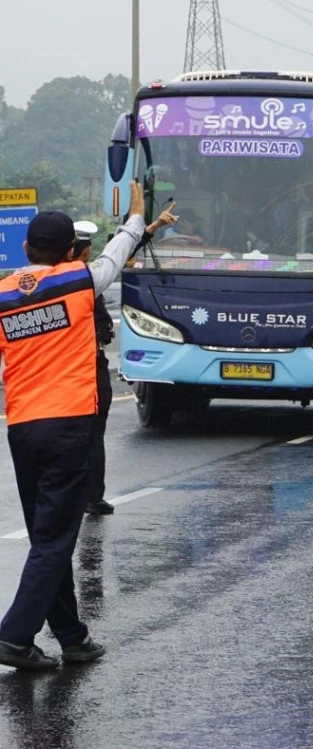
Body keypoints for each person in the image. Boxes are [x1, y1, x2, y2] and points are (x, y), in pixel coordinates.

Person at [0, 181, 145, 672]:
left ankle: (71, 636)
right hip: (68, 425)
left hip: (22, 427)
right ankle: (14, 636)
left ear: (25, 247)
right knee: (56, 538)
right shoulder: (80, 281)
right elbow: (118, 252)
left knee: (49, 534)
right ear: (68, 252)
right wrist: (137, 216)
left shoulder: (2, 294)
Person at [73, 203, 178, 516]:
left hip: (89, 364)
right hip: (83, 366)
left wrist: (152, 228)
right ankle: (83, 493)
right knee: (87, 431)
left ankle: (88, 494)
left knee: (90, 431)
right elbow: (117, 254)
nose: (91, 253)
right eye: (87, 249)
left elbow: (120, 252)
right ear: (80, 251)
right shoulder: (81, 280)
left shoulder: (75, 277)